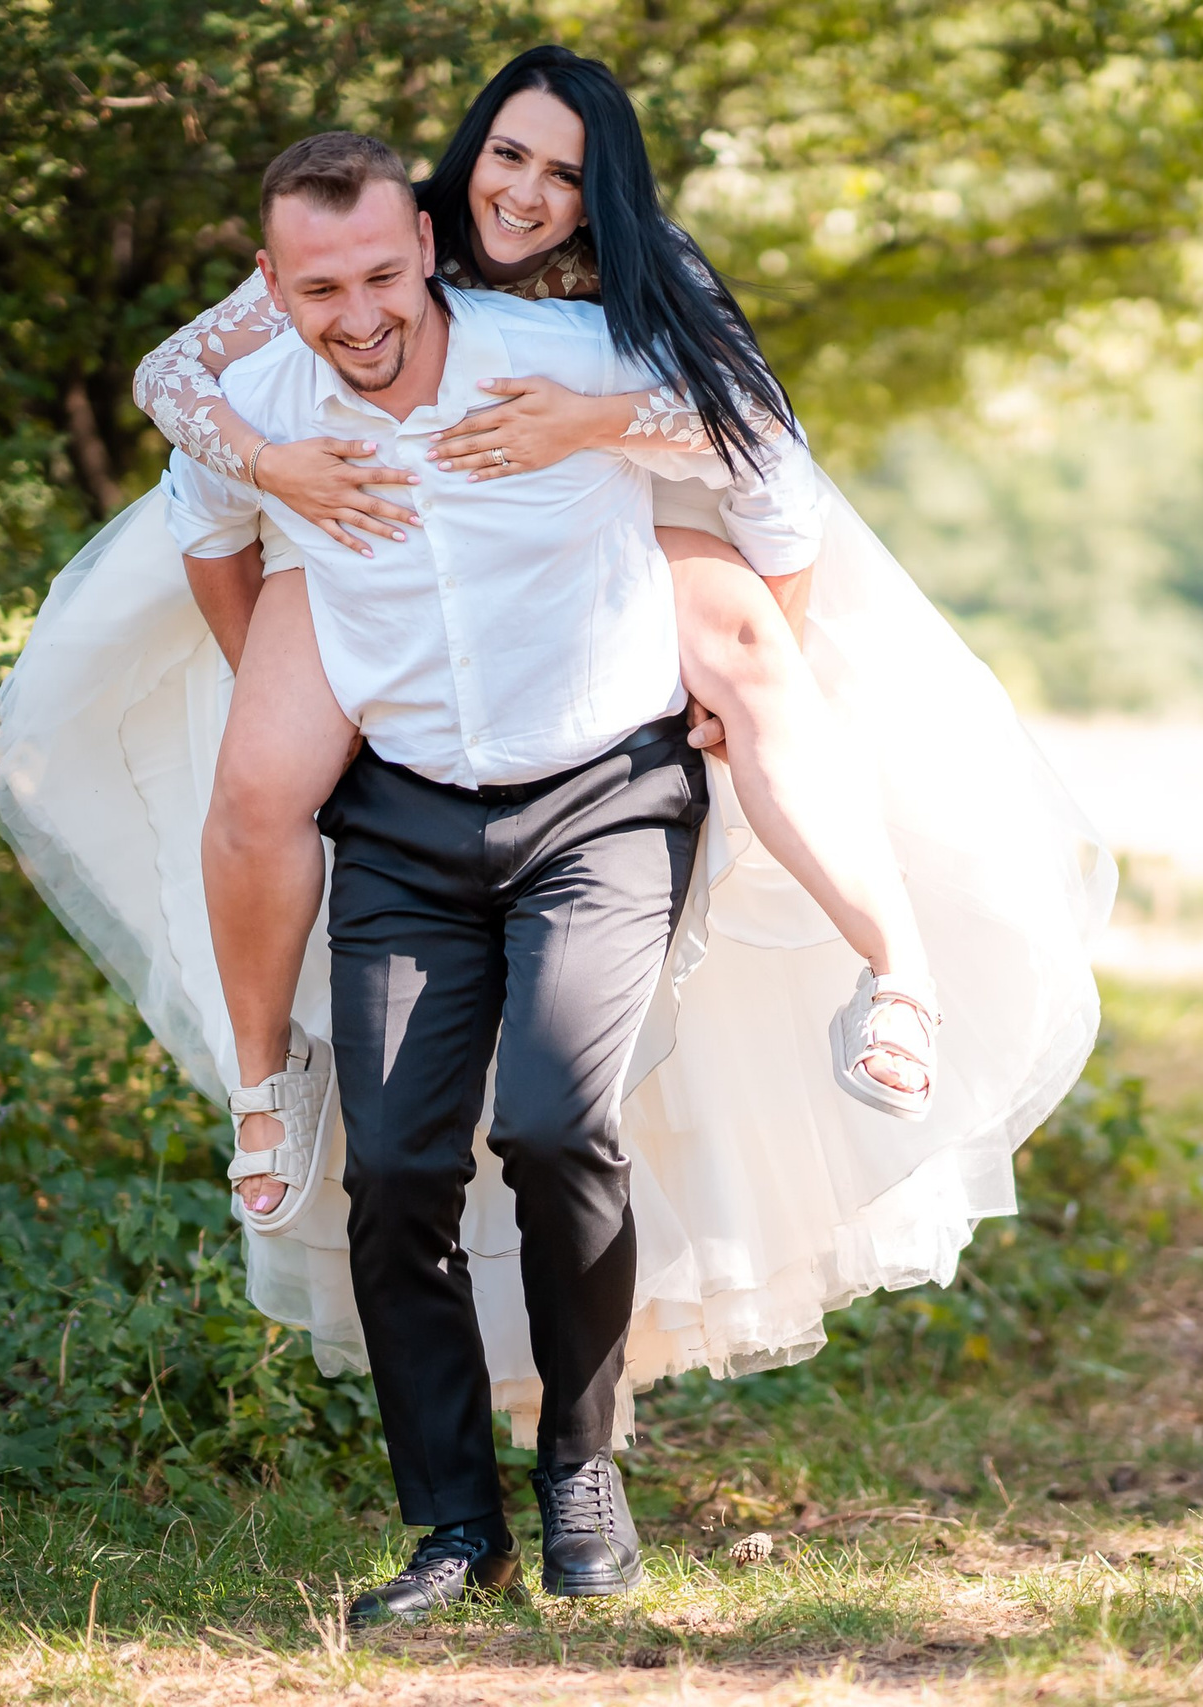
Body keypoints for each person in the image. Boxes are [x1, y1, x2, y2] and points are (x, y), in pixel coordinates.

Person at [0, 47, 1111, 1629]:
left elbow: (768, 468)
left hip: (599, 796)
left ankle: (580, 1467)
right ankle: (453, 1525)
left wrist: (710, 611)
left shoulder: (583, 339)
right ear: (291, 276)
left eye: (385, 272)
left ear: (427, 250)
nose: (361, 309)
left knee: (562, 1122)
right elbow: (201, 517)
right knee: (391, 1171)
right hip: (402, 819)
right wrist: (290, 639)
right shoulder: (274, 384)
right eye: (326, 285)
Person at [138, 50, 943, 1229]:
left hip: (612, 512)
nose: (522, 194)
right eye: (506, 154)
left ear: (599, 192)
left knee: (754, 654)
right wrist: (271, 480)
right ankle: (266, 1082)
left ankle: (899, 979)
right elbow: (169, 375)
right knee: (256, 777)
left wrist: (597, 427)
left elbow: (766, 449)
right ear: (467, 156)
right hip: (375, 527)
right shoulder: (383, 249)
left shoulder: (643, 269)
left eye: (563, 175)